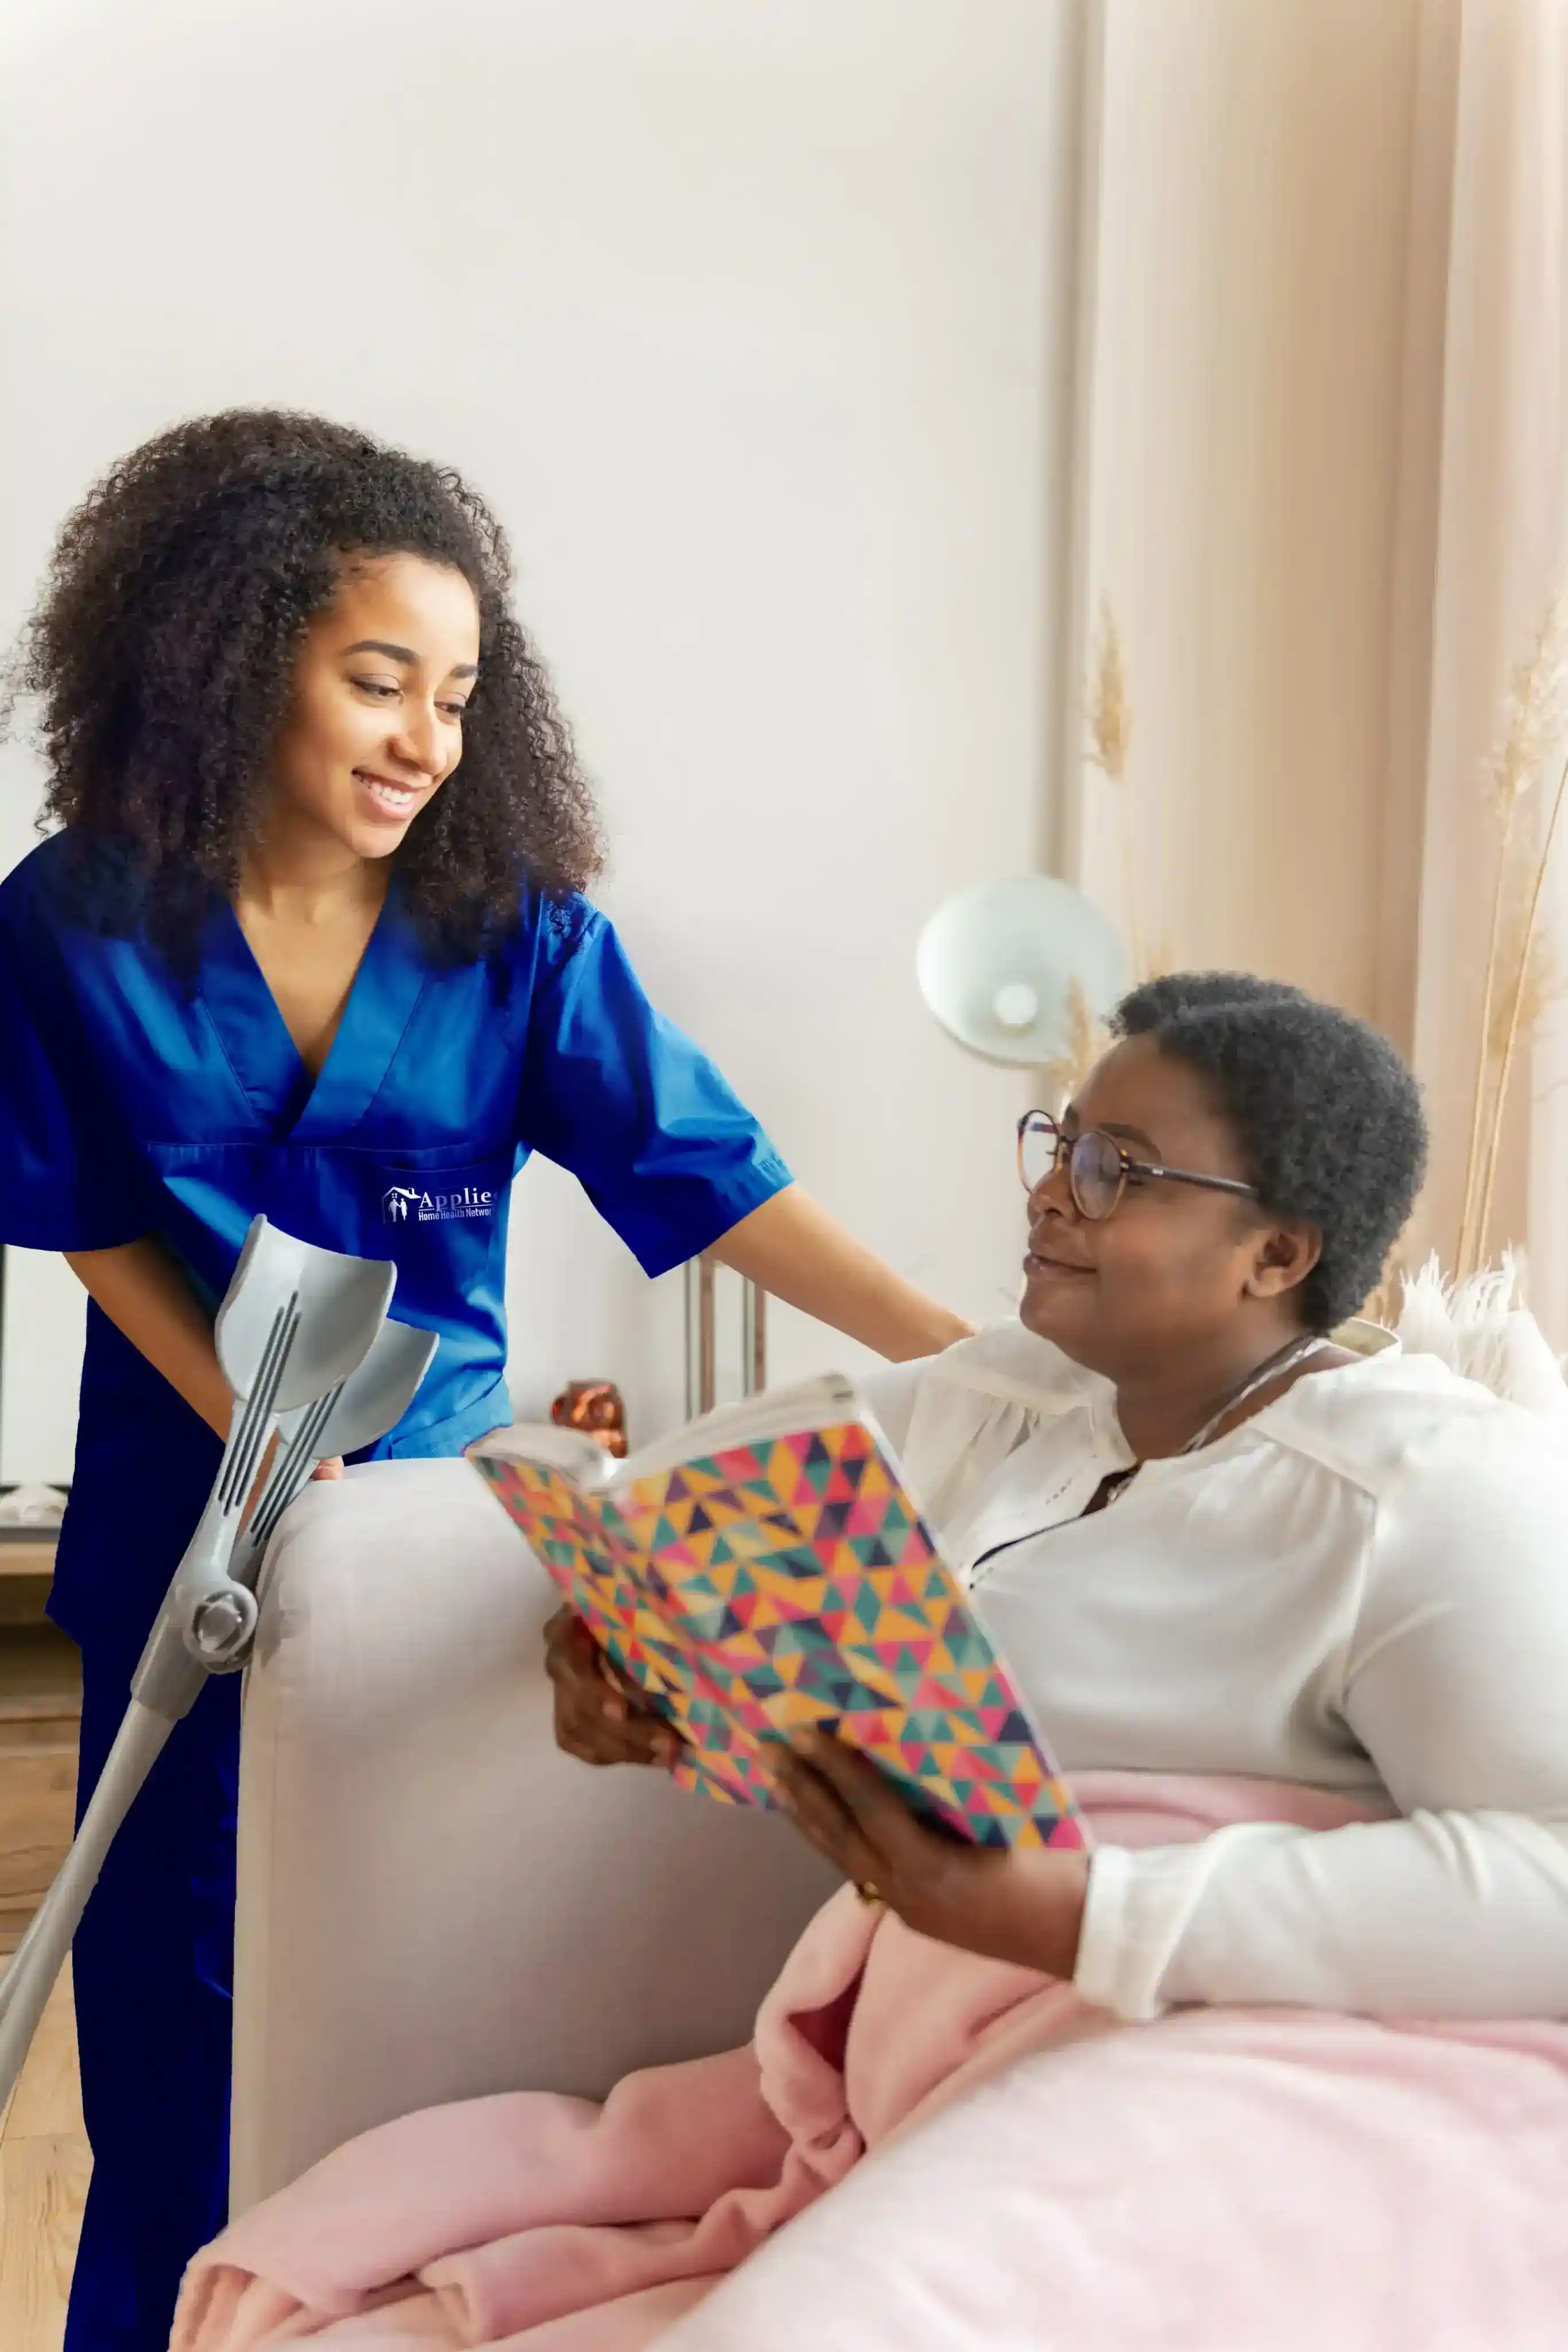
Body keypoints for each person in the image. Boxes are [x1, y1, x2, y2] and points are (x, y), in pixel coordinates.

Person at [0, 408, 970, 2352]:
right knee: (178, 2057)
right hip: (190, 1533)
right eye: (378, 679)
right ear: (232, 649)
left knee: (435, 2012)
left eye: (454, 695)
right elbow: (90, 1208)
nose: (423, 740)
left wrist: (973, 1356)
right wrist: (248, 1433)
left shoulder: (509, 936)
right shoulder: (70, 919)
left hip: (440, 1551)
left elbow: (710, 1177)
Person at [551, 970, 1568, 2019]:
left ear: (1274, 1254)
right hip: (936, 2045)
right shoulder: (1006, 1391)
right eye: (1058, 1146)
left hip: (1227, 2064)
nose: (1046, 1193)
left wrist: (1083, 1913)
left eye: (1110, 1170)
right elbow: (675, 1510)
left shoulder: (1427, 1491)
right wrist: (616, 1633)